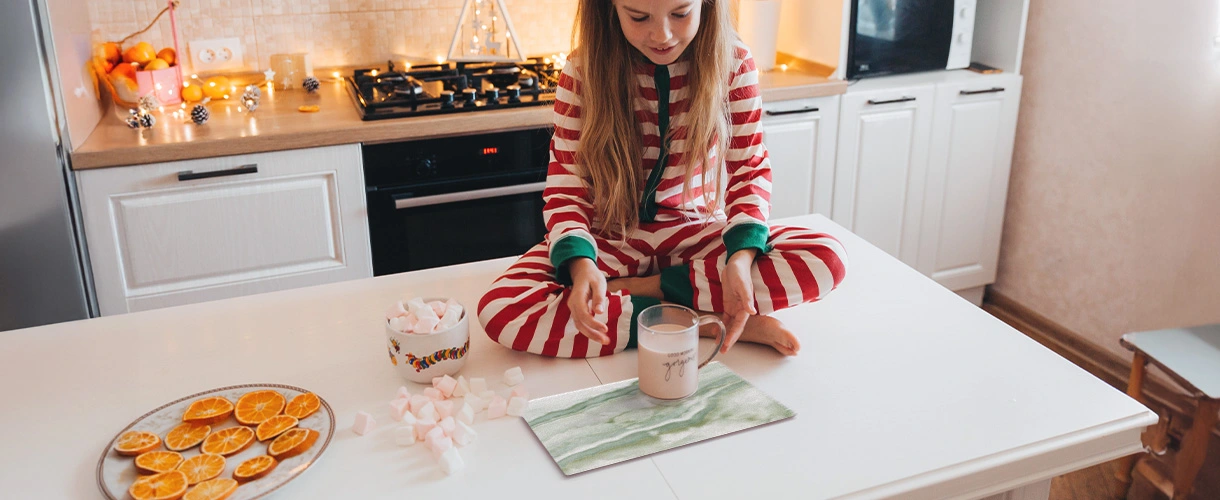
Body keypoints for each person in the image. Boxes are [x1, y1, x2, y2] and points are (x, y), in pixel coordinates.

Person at [477, 0, 847, 358]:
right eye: (638, 17)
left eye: (681, 13)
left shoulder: (734, 62)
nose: (663, 34)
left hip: (694, 235)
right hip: (609, 239)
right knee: (500, 309)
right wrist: (581, 264)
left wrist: (739, 257)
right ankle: (703, 320)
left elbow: (748, 170)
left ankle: (642, 296)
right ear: (609, 7)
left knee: (828, 258)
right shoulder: (582, 71)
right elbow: (567, 186)